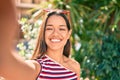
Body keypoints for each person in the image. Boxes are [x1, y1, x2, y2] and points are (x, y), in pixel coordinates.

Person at [0, 0, 80, 80]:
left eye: (61, 29)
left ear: (68, 34)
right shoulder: (37, 67)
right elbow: (5, 64)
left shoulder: (75, 67)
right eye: (49, 28)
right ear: (43, 33)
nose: (55, 33)